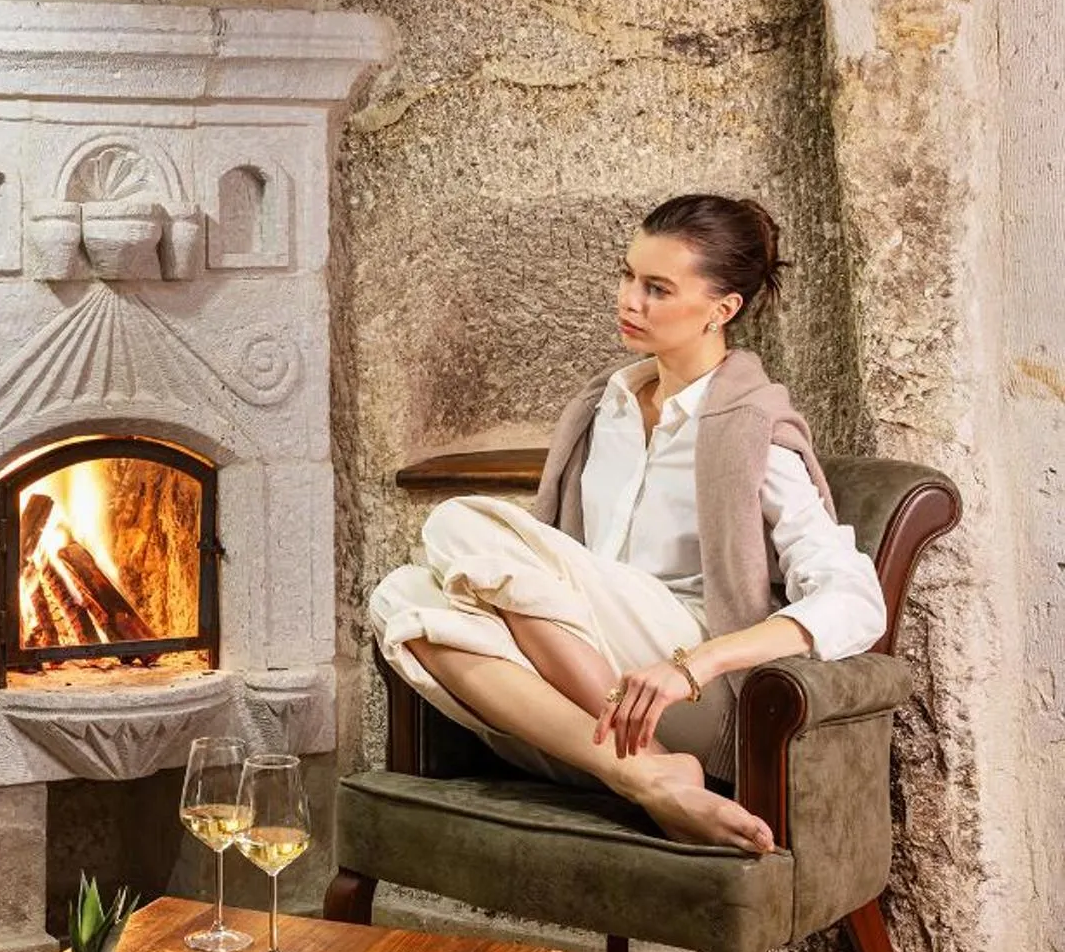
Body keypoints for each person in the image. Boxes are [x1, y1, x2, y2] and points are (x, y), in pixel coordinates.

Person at [368, 195, 887, 853]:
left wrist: (695, 664)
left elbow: (857, 603)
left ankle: (644, 758)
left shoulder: (752, 433)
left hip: (688, 683)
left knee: (456, 523)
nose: (629, 300)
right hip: (586, 665)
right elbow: (557, 576)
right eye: (627, 276)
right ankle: (642, 772)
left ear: (722, 310)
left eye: (657, 288)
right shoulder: (602, 409)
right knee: (400, 597)